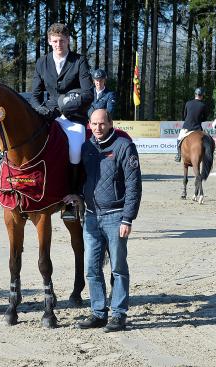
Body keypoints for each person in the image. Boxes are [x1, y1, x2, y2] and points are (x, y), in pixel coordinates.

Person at [64, 108, 142, 332]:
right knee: (91, 267)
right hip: (90, 217)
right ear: (89, 124)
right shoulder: (86, 147)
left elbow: (134, 187)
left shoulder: (124, 147)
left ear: (111, 124)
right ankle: (98, 312)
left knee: (118, 268)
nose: (97, 128)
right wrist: (76, 195)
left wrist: (127, 218)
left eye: (102, 124)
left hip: (116, 217)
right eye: (94, 124)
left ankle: (118, 314)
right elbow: (82, 180)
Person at [30, 22, 93, 221]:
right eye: (55, 41)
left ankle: (72, 201)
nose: (59, 44)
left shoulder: (79, 61)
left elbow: (88, 93)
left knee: (75, 151)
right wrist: (41, 110)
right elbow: (35, 95)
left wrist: (65, 105)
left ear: (68, 41)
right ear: (49, 42)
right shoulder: (42, 62)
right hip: (48, 115)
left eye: (62, 41)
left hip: (73, 117)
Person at [175, 87, 208, 162]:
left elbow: (184, 116)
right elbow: (205, 118)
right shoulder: (203, 105)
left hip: (187, 127)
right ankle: (205, 156)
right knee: (206, 141)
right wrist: (199, 120)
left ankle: (178, 155)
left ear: (195, 94)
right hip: (198, 128)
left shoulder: (188, 103)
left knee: (179, 139)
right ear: (202, 95)